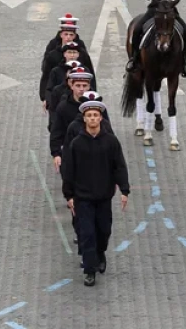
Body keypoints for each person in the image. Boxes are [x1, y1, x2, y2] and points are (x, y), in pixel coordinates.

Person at [61, 99, 130, 287]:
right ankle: (89, 270)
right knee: (87, 233)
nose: (92, 118)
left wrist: (124, 190)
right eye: (89, 116)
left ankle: (100, 253)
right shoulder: (77, 143)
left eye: (95, 115)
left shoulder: (111, 142)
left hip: (103, 196)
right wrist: (69, 196)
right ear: (84, 119)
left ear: (101, 118)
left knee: (103, 230)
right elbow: (69, 171)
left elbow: (119, 166)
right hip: (83, 198)